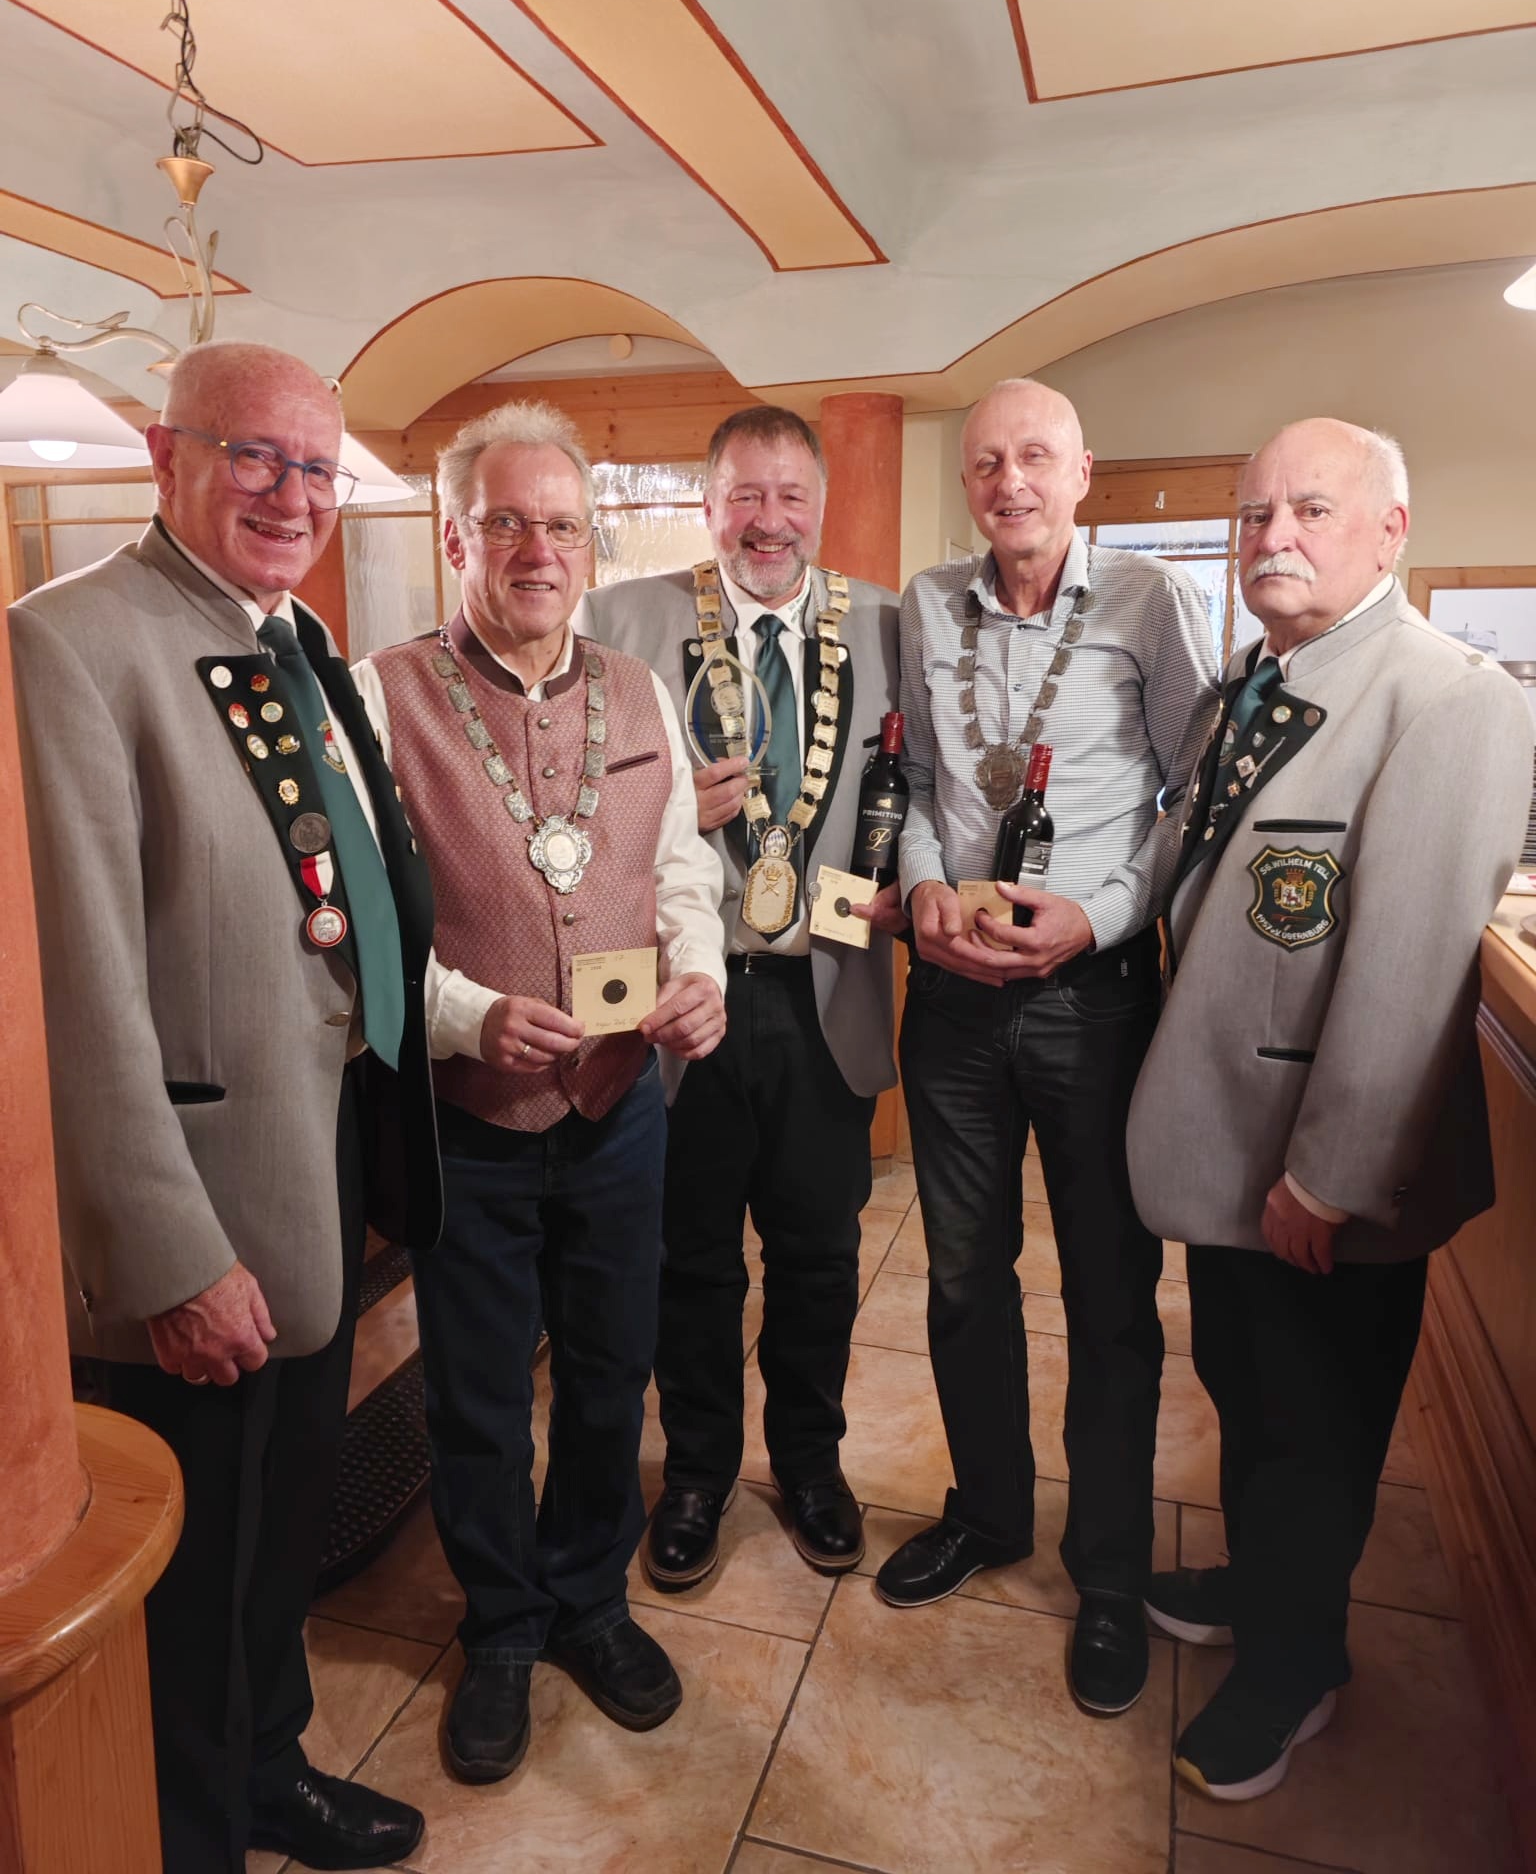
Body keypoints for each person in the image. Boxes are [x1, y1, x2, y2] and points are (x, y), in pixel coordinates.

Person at [10, 341, 441, 1872]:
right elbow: (78, 991)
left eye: (315, 466)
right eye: (254, 455)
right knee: (193, 1575)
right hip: (198, 1205)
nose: (291, 493)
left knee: (279, 1532)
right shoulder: (67, 643)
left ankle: (269, 1771)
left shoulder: (294, 637)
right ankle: (189, 1834)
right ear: (164, 453)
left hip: (317, 1161)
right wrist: (172, 1257)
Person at [1129, 418, 1531, 1800]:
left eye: (1310, 509)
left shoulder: (1448, 697)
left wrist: (1334, 1176)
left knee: (1316, 1425)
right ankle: (1263, 1584)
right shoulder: (1254, 684)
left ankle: (1297, 1666)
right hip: (1228, 1147)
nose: (1274, 537)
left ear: (1390, 531)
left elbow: (1410, 969)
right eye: (1255, 514)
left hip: (1315, 1175)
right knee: (1249, 1392)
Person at [354, 400, 725, 1784]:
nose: (538, 550)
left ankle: (588, 1599)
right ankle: (502, 1626)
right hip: (471, 1124)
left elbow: (680, 868)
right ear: (456, 535)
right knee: (476, 1396)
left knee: (615, 1370)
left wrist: (704, 973)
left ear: (590, 542)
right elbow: (356, 927)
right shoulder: (380, 695)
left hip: (620, 1110)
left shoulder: (639, 690)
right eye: (506, 522)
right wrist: (463, 1014)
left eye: (562, 525)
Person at [882, 377, 1216, 1715]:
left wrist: (1107, 914)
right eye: (986, 462)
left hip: (1096, 995)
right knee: (964, 1277)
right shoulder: (926, 602)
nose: (1009, 481)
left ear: (1083, 473)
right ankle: (989, 1510)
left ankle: (1113, 1571)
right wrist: (920, 890)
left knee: (1109, 1294)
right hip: (954, 999)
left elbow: (1194, 793)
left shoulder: (1151, 600)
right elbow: (918, 783)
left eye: (1034, 457)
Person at [584, 405, 903, 1591]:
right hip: (688, 998)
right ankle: (699, 1471)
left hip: (827, 989)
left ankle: (811, 1462)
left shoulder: (887, 624)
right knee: (693, 1257)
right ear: (708, 503)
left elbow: (919, 793)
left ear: (820, 504)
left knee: (820, 1253)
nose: (769, 521)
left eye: (790, 495)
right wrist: (669, 808)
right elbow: (564, 806)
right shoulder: (620, 619)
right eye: (744, 496)